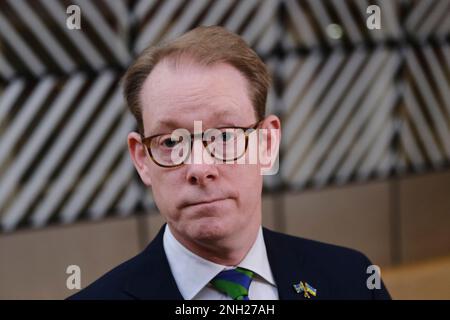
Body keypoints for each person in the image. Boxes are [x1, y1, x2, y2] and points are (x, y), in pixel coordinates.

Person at [68, 26, 391, 300]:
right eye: (170, 142)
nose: (199, 167)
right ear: (141, 159)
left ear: (267, 143)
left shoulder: (353, 281)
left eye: (224, 137)